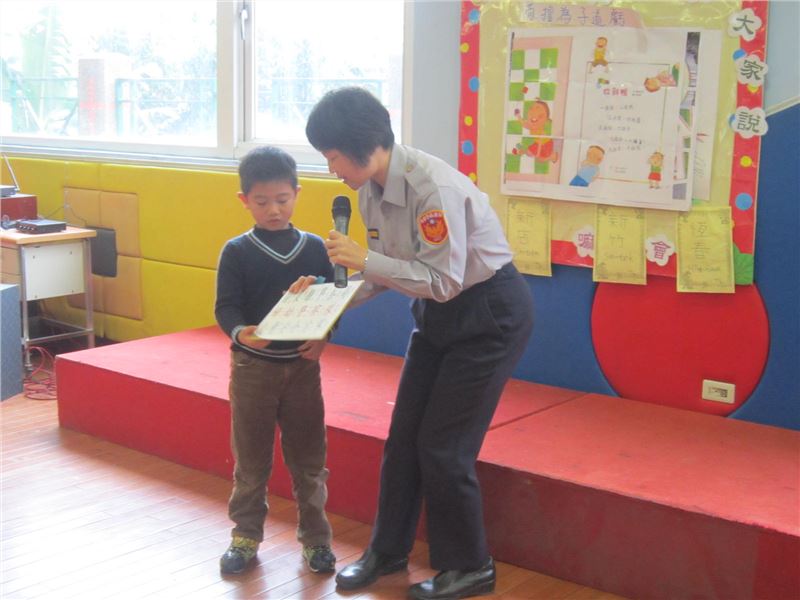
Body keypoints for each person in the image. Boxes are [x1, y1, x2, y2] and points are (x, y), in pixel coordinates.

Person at [300, 87, 534, 600]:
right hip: (436, 313)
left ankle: (470, 566)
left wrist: (365, 260)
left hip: (489, 313)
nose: (331, 168)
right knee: (403, 438)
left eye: (332, 156)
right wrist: (321, 303)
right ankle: (387, 551)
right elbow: (385, 274)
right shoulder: (369, 190)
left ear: (361, 144)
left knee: (444, 448)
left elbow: (443, 280)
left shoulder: (432, 189)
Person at [214, 146, 336, 575]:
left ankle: (317, 541)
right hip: (253, 370)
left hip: (303, 369)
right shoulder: (236, 251)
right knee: (251, 461)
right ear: (244, 200)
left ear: (297, 194)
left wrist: (323, 337)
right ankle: (245, 536)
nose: (273, 210)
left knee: (309, 461)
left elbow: (330, 302)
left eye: (282, 200)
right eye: (262, 201)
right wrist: (241, 332)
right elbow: (226, 308)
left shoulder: (315, 248)